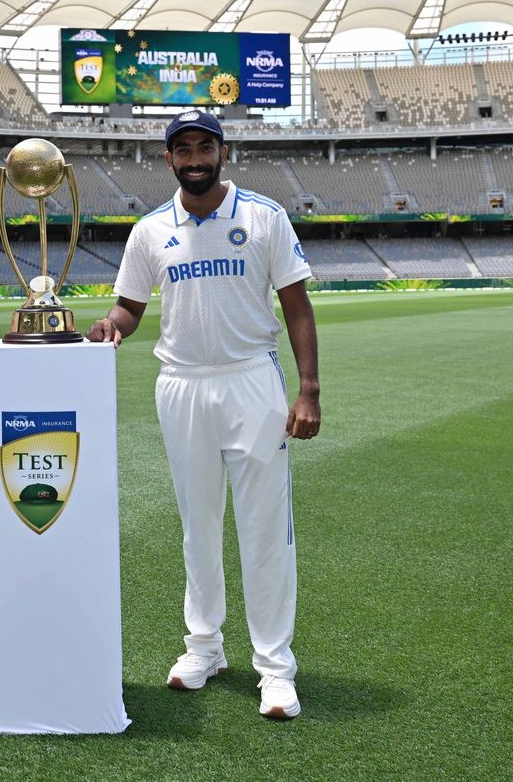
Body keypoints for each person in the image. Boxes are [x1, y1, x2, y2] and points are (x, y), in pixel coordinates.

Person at [87, 109, 320, 720]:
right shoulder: (150, 231)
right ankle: (205, 647)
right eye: (183, 148)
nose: (195, 157)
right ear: (168, 158)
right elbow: (130, 309)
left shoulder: (264, 216)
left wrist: (309, 390)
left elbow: (297, 306)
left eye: (205, 146)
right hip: (181, 385)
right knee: (198, 523)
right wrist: (111, 327)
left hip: (251, 382)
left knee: (264, 529)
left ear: (222, 152)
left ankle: (274, 667)